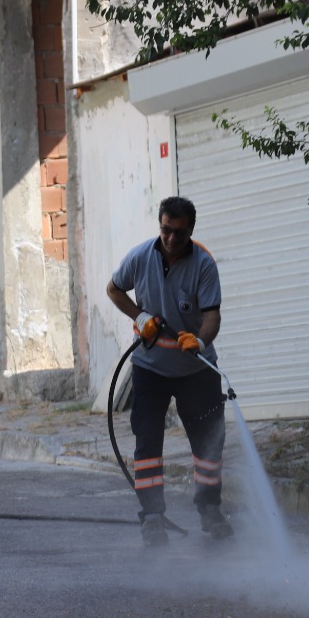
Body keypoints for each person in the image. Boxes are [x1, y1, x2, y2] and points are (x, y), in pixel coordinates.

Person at [105, 196, 230, 546]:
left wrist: (201, 342)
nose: (171, 239)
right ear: (159, 225)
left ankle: (210, 511)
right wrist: (140, 316)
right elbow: (114, 289)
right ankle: (153, 518)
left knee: (209, 445)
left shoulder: (203, 264)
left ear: (191, 230)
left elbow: (212, 317)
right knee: (147, 446)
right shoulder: (140, 256)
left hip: (196, 371)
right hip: (149, 370)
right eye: (165, 230)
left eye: (179, 232)